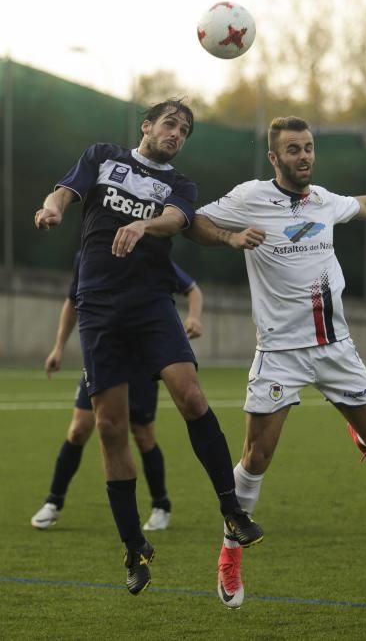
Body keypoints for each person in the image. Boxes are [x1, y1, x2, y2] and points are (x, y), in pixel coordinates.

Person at [187, 114, 366, 608]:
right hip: (280, 354)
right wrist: (229, 238)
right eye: (294, 149)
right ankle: (229, 555)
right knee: (256, 459)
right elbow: (193, 221)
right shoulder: (249, 197)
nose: (304, 156)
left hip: (336, 349)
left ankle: (362, 436)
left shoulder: (324, 200)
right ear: (274, 157)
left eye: (308, 147)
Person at [34, 99, 263, 596]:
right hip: (97, 308)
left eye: (184, 130)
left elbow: (177, 220)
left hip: (151, 303)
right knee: (111, 428)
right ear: (147, 125)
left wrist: (143, 224)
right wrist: (50, 208)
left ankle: (232, 509)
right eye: (170, 124)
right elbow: (63, 193)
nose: (177, 133)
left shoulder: (180, 185)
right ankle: (134, 547)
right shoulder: (103, 155)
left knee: (192, 396)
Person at [31, 252, 203, 533]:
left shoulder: (147, 249)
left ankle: (161, 505)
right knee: (78, 430)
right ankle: (54, 501)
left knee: (142, 433)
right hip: (103, 358)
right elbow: (73, 300)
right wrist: (59, 346)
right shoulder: (88, 253)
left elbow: (192, 289)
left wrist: (194, 318)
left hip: (141, 362)